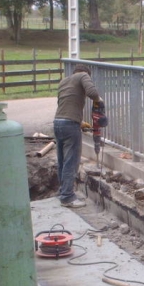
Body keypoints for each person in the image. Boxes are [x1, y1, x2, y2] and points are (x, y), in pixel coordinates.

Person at [53, 63, 101, 208]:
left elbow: (64, 103)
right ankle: (67, 197)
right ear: (86, 73)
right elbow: (92, 92)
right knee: (71, 162)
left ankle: (63, 191)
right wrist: (99, 101)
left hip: (58, 122)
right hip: (69, 125)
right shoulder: (83, 75)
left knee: (62, 160)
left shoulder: (64, 81)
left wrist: (79, 122)